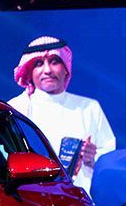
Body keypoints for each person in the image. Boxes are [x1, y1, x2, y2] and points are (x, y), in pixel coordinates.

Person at [7, 36, 116, 195]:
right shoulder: (15, 109)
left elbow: (109, 159)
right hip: (31, 203)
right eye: (39, 64)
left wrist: (92, 158)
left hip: (80, 203)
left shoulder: (89, 107)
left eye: (54, 61)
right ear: (29, 72)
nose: (47, 70)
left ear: (66, 68)